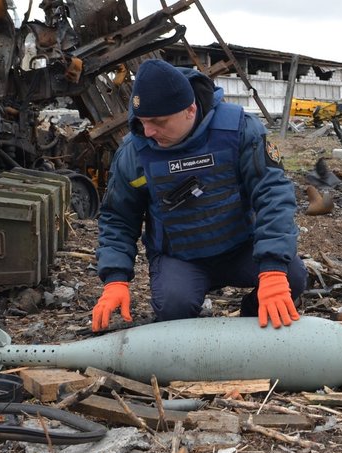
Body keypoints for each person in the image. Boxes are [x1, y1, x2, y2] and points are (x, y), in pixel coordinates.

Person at [91, 59, 307, 331]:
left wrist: (273, 268)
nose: (148, 131)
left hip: (241, 247)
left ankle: (253, 320)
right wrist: (115, 279)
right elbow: (118, 217)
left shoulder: (239, 130)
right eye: (143, 122)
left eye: (158, 122)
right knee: (173, 306)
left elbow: (273, 194)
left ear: (190, 110)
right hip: (181, 257)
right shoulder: (135, 153)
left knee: (293, 277)